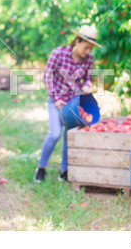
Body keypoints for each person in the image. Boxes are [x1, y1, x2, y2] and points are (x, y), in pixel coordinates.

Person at [34, 25, 101, 182]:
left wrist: (88, 85)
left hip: (73, 102)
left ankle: (64, 171)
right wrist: (56, 98)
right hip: (56, 100)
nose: (88, 52)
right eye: (86, 47)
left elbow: (88, 78)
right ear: (77, 41)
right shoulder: (59, 53)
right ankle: (41, 168)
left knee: (68, 136)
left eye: (91, 48)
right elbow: (47, 76)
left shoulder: (89, 59)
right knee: (55, 133)